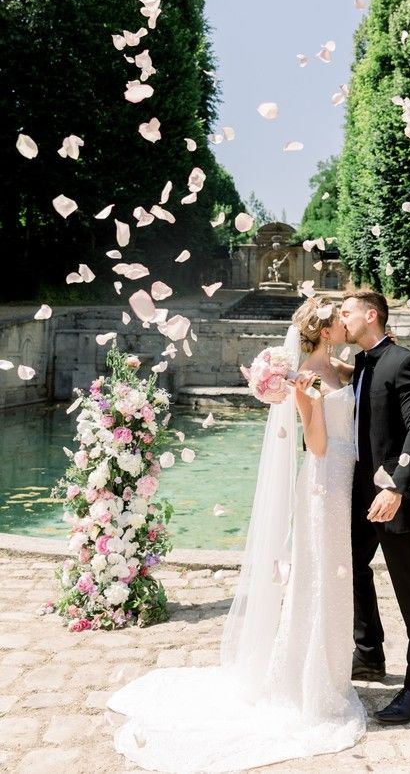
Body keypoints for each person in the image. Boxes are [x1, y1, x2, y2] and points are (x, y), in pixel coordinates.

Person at [105, 296, 367, 773]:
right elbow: (319, 444)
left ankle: (329, 671)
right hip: (326, 482)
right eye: (338, 321)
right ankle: (310, 683)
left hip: (345, 479)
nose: (346, 325)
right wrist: (308, 399)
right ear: (326, 331)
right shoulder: (306, 380)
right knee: (319, 578)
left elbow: (351, 393)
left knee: (336, 576)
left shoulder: (342, 368)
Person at [339, 290, 410, 725]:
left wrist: (398, 485)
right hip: (359, 494)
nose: (342, 317)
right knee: (352, 568)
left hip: (393, 496)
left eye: (347, 311)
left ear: (371, 315)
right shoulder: (362, 362)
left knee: (409, 589)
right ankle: (370, 655)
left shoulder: (406, 362)